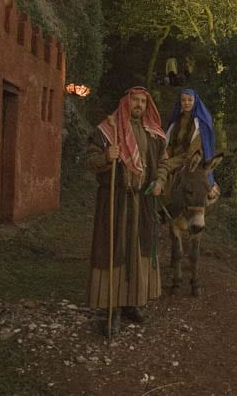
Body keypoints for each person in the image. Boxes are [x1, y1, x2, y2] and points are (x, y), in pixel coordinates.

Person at [86, 87, 170, 335]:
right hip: (115, 200)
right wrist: (106, 156)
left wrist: (160, 181)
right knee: (115, 250)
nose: (139, 104)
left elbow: (163, 162)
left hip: (142, 203)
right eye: (135, 100)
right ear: (126, 102)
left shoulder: (154, 134)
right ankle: (112, 309)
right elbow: (90, 160)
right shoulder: (107, 130)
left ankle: (131, 302)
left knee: (137, 250)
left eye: (143, 101)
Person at [163, 88, 219, 198]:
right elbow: (171, 143)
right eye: (183, 100)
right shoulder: (177, 120)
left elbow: (195, 148)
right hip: (175, 156)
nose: (186, 103)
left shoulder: (200, 123)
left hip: (191, 158)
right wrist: (166, 154)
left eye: (190, 100)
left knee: (165, 167)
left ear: (195, 101)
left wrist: (178, 162)